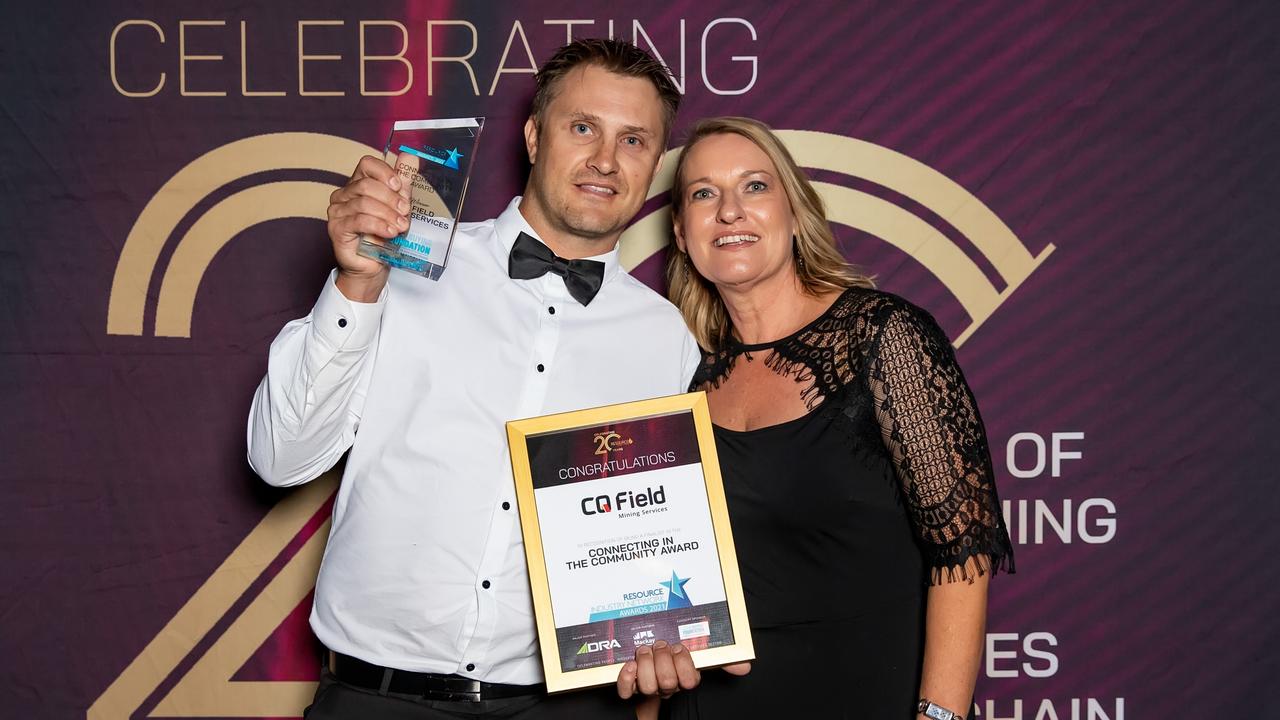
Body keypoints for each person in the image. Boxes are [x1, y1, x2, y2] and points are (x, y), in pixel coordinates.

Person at [247, 39, 704, 719]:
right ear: (532, 135)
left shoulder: (666, 340)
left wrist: (662, 633)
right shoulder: (400, 262)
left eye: (633, 140)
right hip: (377, 699)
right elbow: (280, 460)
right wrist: (355, 283)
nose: (606, 160)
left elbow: (645, 547)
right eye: (583, 128)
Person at [658, 117, 1015, 719]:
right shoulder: (678, 370)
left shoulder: (884, 337)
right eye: (703, 194)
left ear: (795, 213)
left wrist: (940, 718)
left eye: (754, 187)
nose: (729, 212)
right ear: (683, 232)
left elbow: (963, 556)